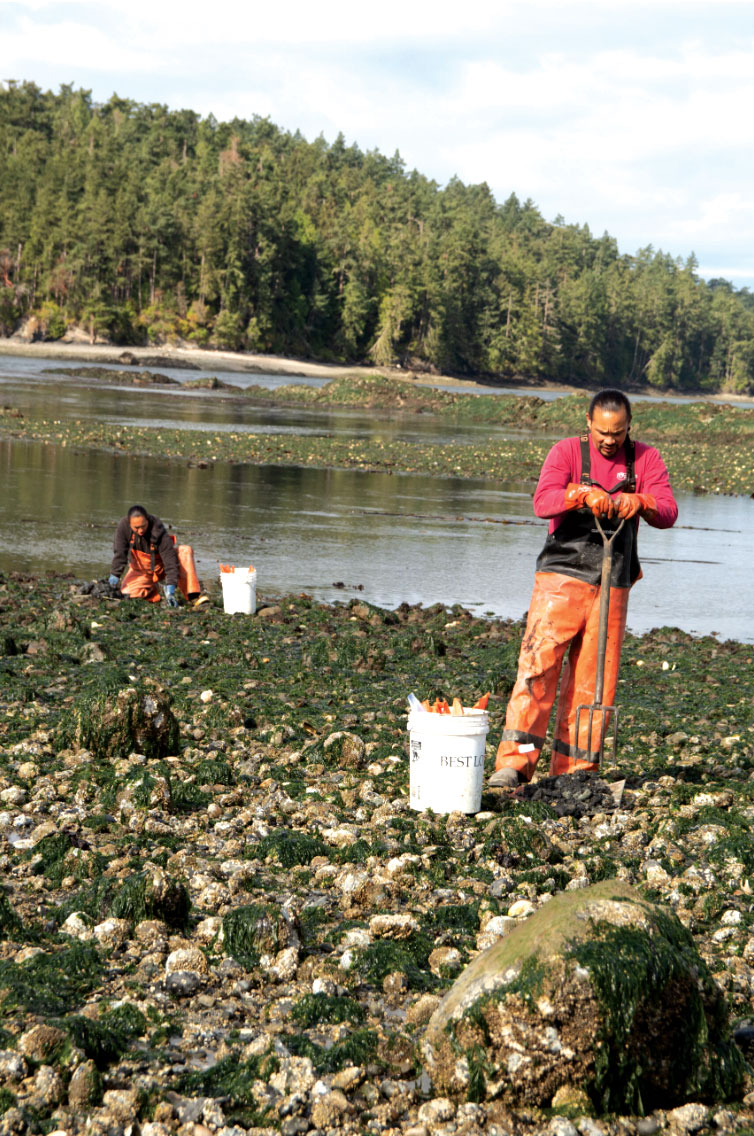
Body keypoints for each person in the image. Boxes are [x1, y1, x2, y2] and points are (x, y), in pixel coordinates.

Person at [489, 389, 678, 788]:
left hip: (614, 580)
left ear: (629, 427)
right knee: (538, 667)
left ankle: (575, 772)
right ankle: (514, 765)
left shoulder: (646, 458)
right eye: (603, 432)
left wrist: (641, 501)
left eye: (619, 432)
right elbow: (543, 502)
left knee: (595, 679)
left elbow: (668, 511)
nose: (611, 440)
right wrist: (579, 494)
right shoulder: (566, 453)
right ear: (588, 423)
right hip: (561, 575)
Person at [109, 505, 209, 609]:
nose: (140, 531)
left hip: (162, 566)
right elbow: (120, 554)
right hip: (141, 570)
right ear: (129, 524)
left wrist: (171, 586)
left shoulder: (157, 528)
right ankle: (155, 589)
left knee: (185, 551)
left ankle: (193, 596)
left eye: (143, 526)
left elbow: (170, 560)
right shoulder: (123, 527)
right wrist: (115, 575)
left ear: (147, 520)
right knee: (126, 593)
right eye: (136, 528)